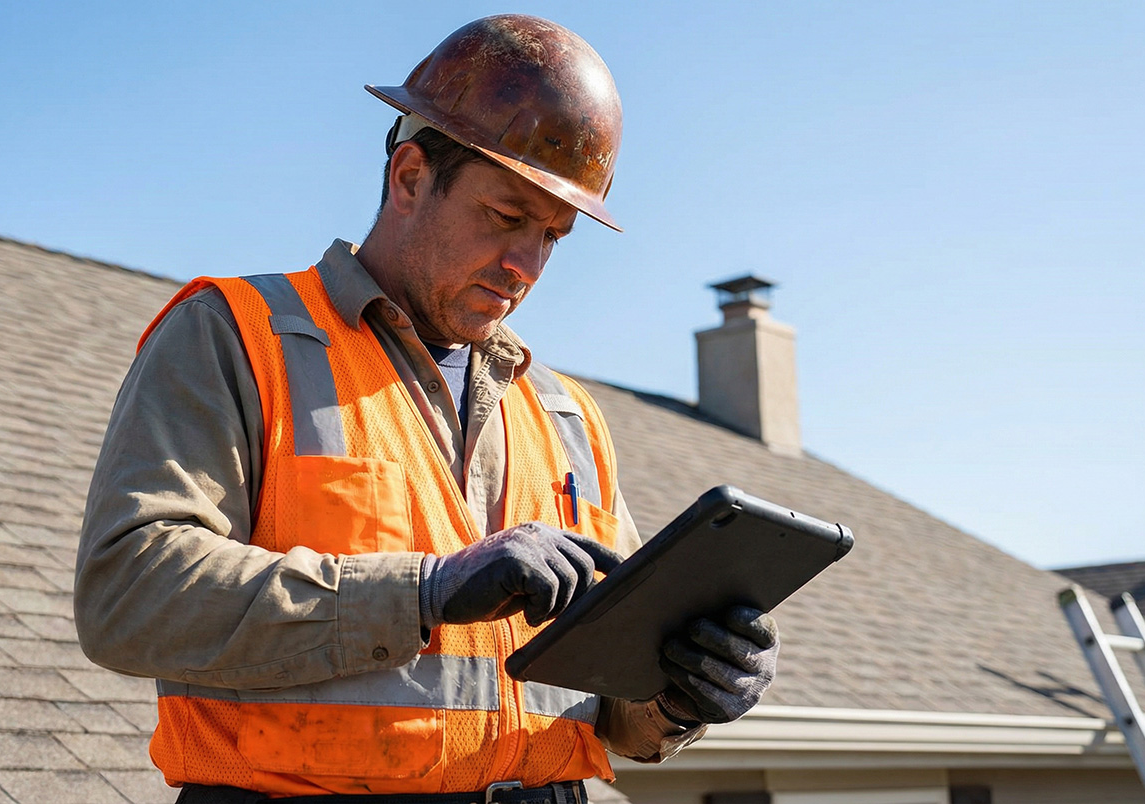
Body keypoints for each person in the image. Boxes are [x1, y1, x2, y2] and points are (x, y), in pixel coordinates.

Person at [75, 14, 778, 804]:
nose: (526, 266)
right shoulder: (237, 339)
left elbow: (612, 710)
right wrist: (423, 591)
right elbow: (126, 598)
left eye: (553, 234)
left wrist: (681, 691)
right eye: (507, 217)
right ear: (410, 177)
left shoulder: (565, 417)